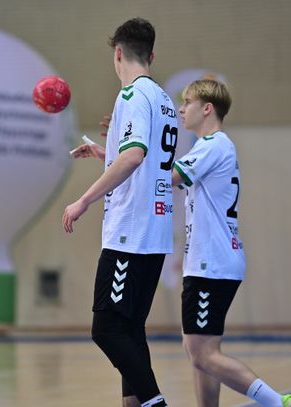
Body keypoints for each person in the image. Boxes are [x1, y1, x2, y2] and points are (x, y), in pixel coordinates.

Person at [63, 17, 178, 407]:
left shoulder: (131, 95)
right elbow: (144, 159)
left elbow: (133, 156)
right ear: (151, 55)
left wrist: (84, 200)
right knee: (130, 329)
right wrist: (106, 152)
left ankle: (155, 403)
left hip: (131, 232)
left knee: (108, 329)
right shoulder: (163, 100)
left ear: (117, 53)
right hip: (155, 230)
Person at [171, 78, 291, 407]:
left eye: (187, 103)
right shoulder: (211, 146)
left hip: (211, 263)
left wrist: (125, 154)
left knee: (200, 352)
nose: (181, 109)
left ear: (207, 108)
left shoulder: (213, 145)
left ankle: (276, 402)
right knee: (201, 352)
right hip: (207, 261)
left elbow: (168, 177)